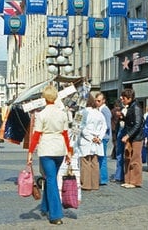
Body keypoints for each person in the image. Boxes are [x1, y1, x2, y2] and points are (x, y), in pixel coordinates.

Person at [26, 86, 71, 225]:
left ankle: (55, 214)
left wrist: (30, 152)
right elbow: (65, 134)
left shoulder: (42, 114)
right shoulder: (62, 114)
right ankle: (45, 206)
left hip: (46, 148)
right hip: (59, 148)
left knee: (51, 179)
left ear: (44, 98)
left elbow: (36, 135)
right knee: (51, 178)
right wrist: (69, 151)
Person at [77, 94, 107, 190]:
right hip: (97, 140)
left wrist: (90, 137)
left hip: (86, 141)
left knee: (85, 162)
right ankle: (95, 184)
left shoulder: (81, 112)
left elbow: (80, 127)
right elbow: (104, 126)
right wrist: (99, 137)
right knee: (95, 162)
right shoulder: (99, 113)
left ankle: (86, 184)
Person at [120, 88, 144, 189]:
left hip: (136, 138)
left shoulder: (136, 107)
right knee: (128, 158)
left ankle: (135, 181)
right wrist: (123, 117)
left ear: (129, 98)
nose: (122, 99)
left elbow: (138, 124)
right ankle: (128, 180)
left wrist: (128, 135)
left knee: (135, 159)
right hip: (131, 136)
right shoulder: (131, 106)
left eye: (124, 98)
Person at [93, 92, 111, 184]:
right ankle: (101, 178)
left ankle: (103, 179)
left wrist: (98, 133)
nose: (97, 102)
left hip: (103, 137)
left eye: (99, 101)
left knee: (102, 158)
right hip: (101, 136)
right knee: (100, 157)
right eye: (96, 101)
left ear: (103, 101)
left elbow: (107, 125)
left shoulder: (105, 110)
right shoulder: (99, 109)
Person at [110, 101, 124, 182]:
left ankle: (114, 153)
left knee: (115, 143)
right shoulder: (121, 110)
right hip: (118, 129)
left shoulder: (113, 111)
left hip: (115, 128)